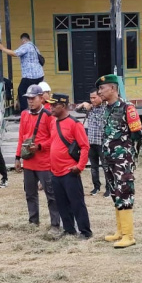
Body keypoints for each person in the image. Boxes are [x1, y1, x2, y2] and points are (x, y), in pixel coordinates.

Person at [97, 74, 142, 249]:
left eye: (102, 88)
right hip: (109, 158)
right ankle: (120, 231)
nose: (99, 91)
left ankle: (129, 235)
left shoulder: (127, 108)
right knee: (115, 192)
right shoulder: (106, 108)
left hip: (122, 158)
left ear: (113, 89)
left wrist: (126, 150)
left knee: (125, 192)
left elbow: (137, 133)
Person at [15, 84, 60, 232]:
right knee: (30, 194)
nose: (30, 101)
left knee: (51, 195)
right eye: (28, 98)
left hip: (44, 162)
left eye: (33, 98)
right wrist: (17, 157)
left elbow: (53, 138)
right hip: (28, 162)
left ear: (41, 98)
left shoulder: (48, 116)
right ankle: (33, 221)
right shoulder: (24, 114)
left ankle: (55, 223)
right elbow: (21, 137)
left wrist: (39, 146)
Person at [49, 93, 92, 239]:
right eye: (50, 104)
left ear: (63, 106)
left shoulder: (74, 124)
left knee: (77, 203)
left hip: (70, 170)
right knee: (61, 203)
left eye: (54, 105)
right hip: (56, 172)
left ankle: (85, 231)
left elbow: (85, 146)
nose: (51, 107)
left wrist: (80, 167)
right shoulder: (53, 123)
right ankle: (69, 229)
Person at [0, 33, 44, 112]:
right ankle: (37, 109)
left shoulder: (26, 46)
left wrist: (2, 48)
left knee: (21, 91)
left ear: (23, 40)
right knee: (35, 92)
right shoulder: (34, 47)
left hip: (30, 75)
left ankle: (25, 112)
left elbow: (15, 53)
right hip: (39, 74)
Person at [76, 88, 109, 197]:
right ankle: (96, 187)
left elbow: (101, 121)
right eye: (91, 98)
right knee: (94, 167)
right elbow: (77, 110)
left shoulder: (105, 108)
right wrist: (83, 104)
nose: (92, 100)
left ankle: (109, 188)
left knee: (105, 166)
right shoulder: (89, 108)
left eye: (94, 97)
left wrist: (91, 108)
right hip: (91, 142)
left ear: (100, 97)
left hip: (102, 142)